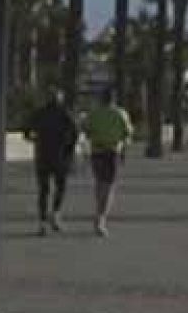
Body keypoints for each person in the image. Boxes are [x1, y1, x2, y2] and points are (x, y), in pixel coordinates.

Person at [24, 88, 78, 236]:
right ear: (60, 99)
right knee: (60, 186)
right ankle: (55, 213)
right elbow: (75, 132)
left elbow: (26, 131)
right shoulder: (64, 114)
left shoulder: (39, 113)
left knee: (43, 189)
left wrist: (36, 140)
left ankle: (42, 222)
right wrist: (69, 148)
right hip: (60, 155)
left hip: (42, 154)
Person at [83, 86, 133, 237]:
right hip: (112, 152)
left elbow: (86, 131)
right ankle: (101, 217)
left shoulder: (94, 114)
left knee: (99, 183)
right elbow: (127, 134)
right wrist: (124, 151)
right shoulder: (121, 114)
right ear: (114, 98)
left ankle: (99, 212)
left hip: (97, 151)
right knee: (109, 185)